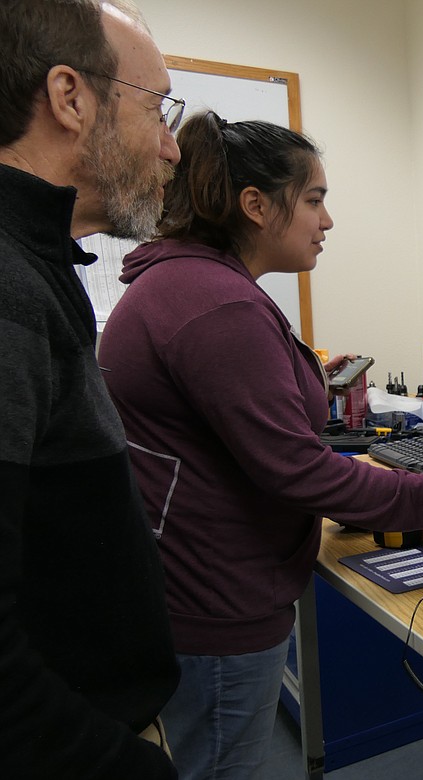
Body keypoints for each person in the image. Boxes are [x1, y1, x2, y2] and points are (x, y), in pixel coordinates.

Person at [98, 110, 423, 780]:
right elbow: (301, 472)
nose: (326, 221)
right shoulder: (218, 305)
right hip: (219, 607)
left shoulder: (181, 284)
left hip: (184, 587)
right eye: (314, 199)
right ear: (255, 205)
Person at [0, 1, 183, 777]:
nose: (173, 149)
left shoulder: (45, 260)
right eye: (158, 110)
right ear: (70, 98)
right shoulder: (8, 284)